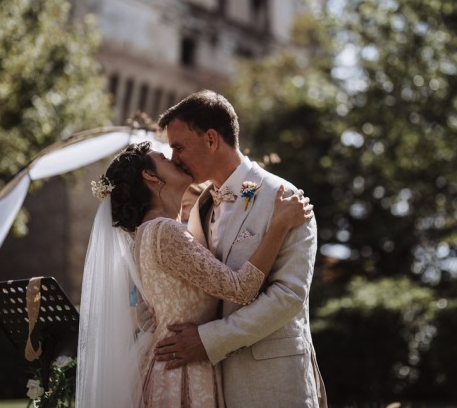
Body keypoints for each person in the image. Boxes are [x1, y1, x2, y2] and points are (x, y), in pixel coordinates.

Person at [75, 141, 313, 407]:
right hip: (183, 376)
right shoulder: (165, 231)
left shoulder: (146, 234)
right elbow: (241, 288)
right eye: (165, 157)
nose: (176, 159)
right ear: (150, 176)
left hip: (169, 367)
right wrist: (279, 225)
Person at [155, 90, 328, 407]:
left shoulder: (284, 197)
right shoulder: (202, 206)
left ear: (210, 139)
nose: (174, 158)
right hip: (215, 383)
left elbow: (288, 296)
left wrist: (209, 340)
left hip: (273, 381)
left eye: (179, 147)